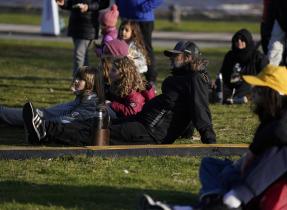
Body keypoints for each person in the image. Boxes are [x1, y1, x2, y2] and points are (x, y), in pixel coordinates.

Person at [139, 65, 287, 210]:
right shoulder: (271, 117)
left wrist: (241, 168)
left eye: (258, 89)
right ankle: (215, 202)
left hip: (267, 181)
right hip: (253, 174)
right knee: (210, 164)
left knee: (227, 173)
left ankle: (217, 203)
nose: (253, 94)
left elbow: (272, 163)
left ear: (272, 94)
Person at [23, 41, 216, 146]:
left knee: (98, 133)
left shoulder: (195, 79)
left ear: (189, 57)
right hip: (143, 122)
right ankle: (44, 132)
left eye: (176, 55)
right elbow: (185, 109)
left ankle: (46, 131)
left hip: (150, 132)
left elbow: (199, 108)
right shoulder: (185, 79)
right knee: (97, 122)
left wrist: (209, 138)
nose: (171, 59)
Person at [222, 67, 287, 209]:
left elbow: (282, 130)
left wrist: (254, 149)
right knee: (211, 165)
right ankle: (228, 197)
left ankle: (237, 195)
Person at [0, 38, 129, 128]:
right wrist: (81, 91)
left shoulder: (123, 79)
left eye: (107, 54)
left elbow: (128, 106)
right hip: (83, 105)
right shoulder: (102, 72)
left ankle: (34, 124)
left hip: (92, 112)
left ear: (118, 58)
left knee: (48, 118)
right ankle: (4, 113)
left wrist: (111, 104)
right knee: (42, 114)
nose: (102, 56)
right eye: (103, 52)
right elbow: (91, 93)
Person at [115, 0, 164, 85]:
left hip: (143, 19)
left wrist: (144, 7)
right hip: (126, 18)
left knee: (145, 48)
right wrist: (121, 10)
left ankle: (150, 78)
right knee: (123, 48)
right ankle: (124, 75)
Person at [55, 0, 109, 76]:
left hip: (89, 25)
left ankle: (78, 80)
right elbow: (72, 4)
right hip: (75, 24)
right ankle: (87, 80)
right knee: (83, 56)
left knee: (79, 54)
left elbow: (104, 3)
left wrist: (88, 7)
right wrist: (64, 4)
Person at [215, 29, 268, 104]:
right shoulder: (230, 55)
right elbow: (223, 74)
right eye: (236, 40)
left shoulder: (257, 57)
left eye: (242, 39)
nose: (239, 42)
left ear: (248, 41)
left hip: (250, 85)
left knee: (247, 85)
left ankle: (238, 99)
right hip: (231, 85)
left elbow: (266, 73)